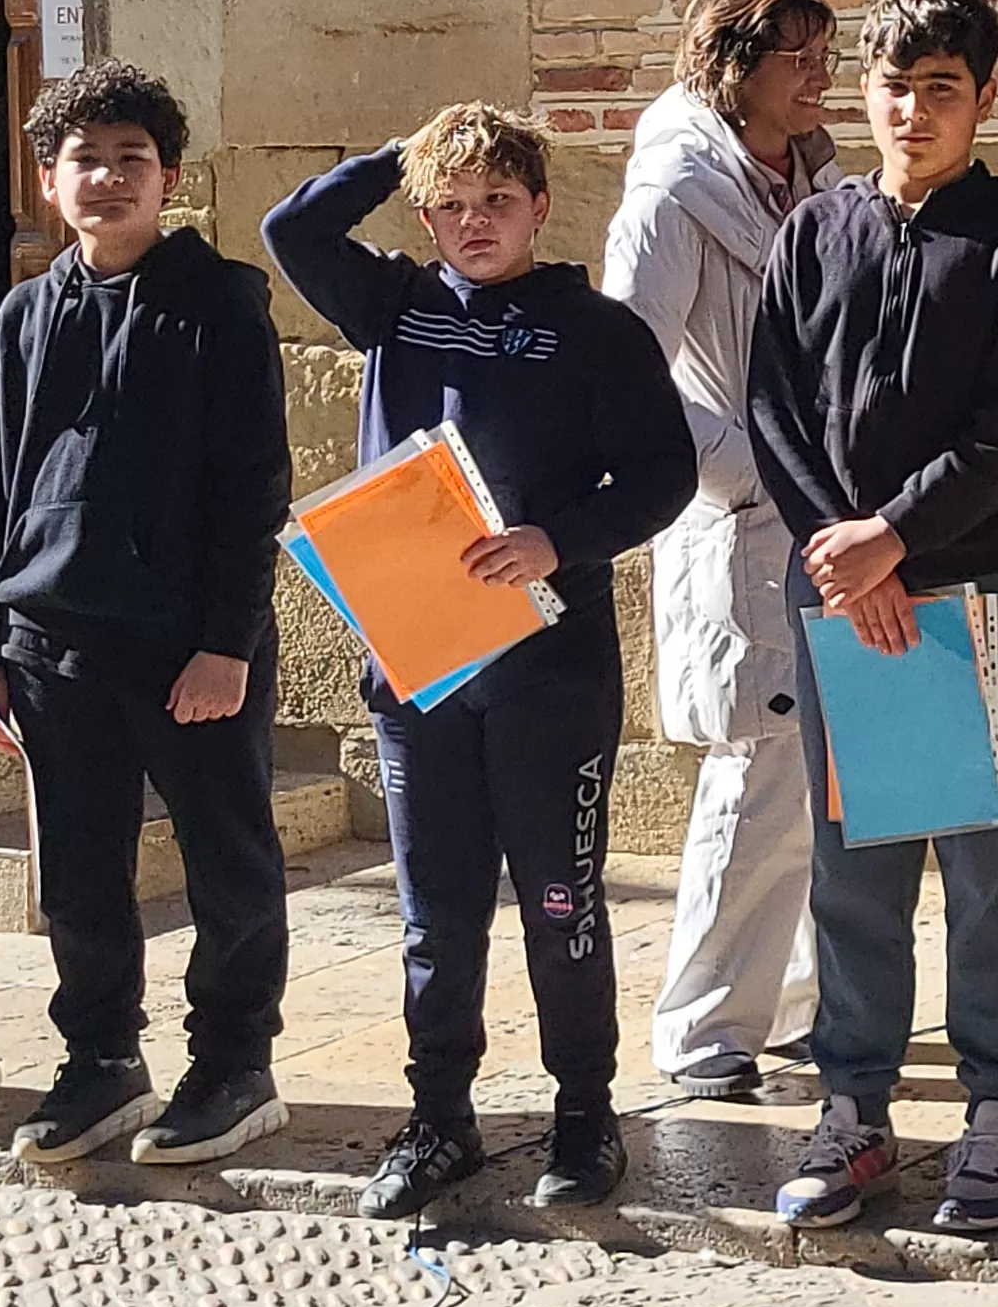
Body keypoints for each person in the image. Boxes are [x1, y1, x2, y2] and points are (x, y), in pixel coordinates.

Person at [266, 102, 695, 1220]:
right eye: (449, 205)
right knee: (436, 912)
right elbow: (292, 231)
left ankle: (584, 1112)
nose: (473, 224)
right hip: (422, 669)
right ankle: (438, 1118)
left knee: (562, 901)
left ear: (540, 207)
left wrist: (560, 538)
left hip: (550, 670)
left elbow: (663, 474)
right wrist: (402, 144)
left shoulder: (597, 329)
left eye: (496, 201)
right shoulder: (396, 306)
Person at [747, 0, 998, 1234]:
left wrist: (897, 538)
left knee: (989, 859)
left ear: (984, 99)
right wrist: (844, 551)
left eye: (941, 88)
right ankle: (855, 1107)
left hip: (973, 581)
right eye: (894, 85)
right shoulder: (812, 230)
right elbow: (771, 399)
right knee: (856, 857)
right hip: (843, 589)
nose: (913, 110)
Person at [0, 63, 297, 1168]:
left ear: (170, 177)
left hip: (187, 645)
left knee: (225, 861)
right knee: (80, 875)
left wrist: (224, 641)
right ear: (49, 181)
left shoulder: (222, 304)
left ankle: (233, 1062)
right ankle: (100, 1059)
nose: (107, 178)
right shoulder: (21, 314)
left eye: (130, 159)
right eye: (83, 160)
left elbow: (255, 487)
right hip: (50, 643)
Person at [604, 0, 847, 1102]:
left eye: (826, 55)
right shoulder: (670, 194)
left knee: (819, 779)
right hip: (747, 525)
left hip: (833, 521)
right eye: (795, 56)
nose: (819, 75)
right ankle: (703, 1032)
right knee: (752, 776)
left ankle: (797, 1005)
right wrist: (754, 470)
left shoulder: (818, 174)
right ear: (732, 66)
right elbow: (626, 374)